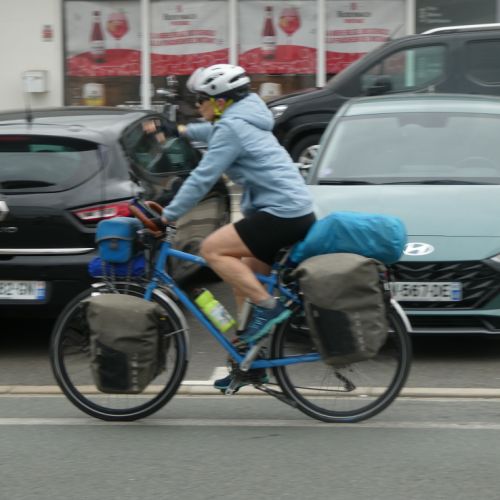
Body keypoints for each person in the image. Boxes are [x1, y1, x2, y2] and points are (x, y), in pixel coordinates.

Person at [159, 64, 315, 391]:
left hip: (282, 213)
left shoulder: (232, 127)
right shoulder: (242, 118)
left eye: (201, 100)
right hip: (291, 210)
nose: (197, 106)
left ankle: (270, 308)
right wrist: (182, 131)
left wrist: (168, 215)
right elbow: (212, 132)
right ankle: (251, 364)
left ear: (220, 102)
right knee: (243, 282)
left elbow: (202, 178)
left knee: (212, 250)